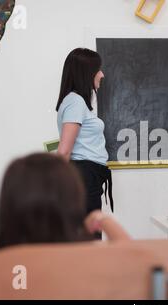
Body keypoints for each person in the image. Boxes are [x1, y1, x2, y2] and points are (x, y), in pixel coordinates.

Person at [0, 153, 128, 299]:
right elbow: (132, 255)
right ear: (73, 201)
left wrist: (2, 240)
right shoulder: (92, 260)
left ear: (10, 206)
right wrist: (101, 218)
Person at [56, 48, 113, 221]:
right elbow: (64, 151)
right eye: (98, 70)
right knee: (88, 238)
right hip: (83, 177)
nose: (102, 74)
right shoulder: (76, 101)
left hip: (87, 177)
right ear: (87, 73)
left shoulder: (76, 101)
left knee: (87, 236)